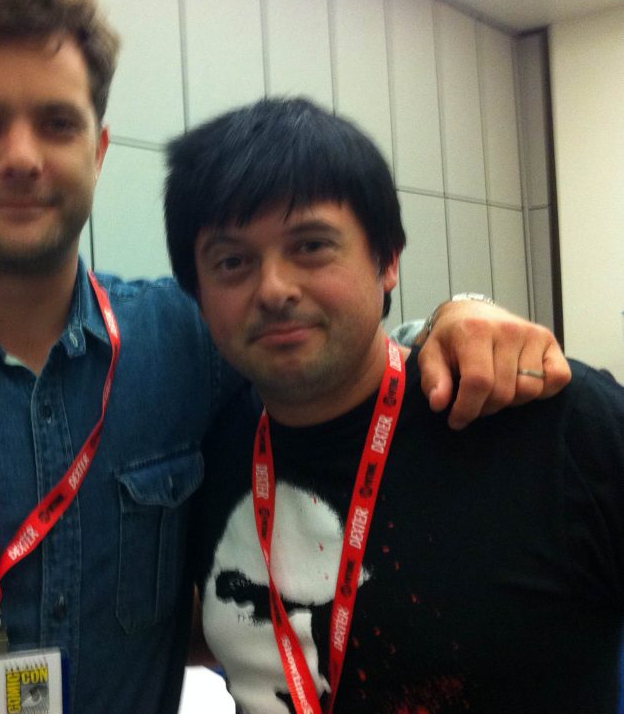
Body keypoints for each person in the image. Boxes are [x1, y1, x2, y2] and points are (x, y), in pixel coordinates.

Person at [0, 0, 570, 714]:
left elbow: (325, 347)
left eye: (56, 124)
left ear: (97, 150)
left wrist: (453, 319)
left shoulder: (184, 339)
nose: (22, 156)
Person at [164, 97, 624, 713]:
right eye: (232, 261)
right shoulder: (200, 453)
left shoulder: (550, 425)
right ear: (197, 292)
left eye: (310, 246)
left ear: (387, 261)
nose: (273, 289)